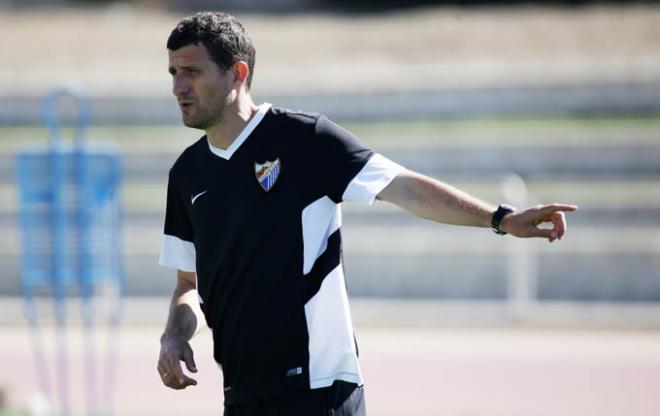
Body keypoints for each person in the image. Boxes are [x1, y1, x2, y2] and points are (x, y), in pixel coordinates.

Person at [156, 11, 577, 416]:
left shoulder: (305, 138)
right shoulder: (187, 174)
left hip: (317, 390)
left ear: (237, 73)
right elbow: (188, 283)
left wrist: (499, 219)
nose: (178, 86)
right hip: (241, 394)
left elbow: (405, 187)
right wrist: (174, 335)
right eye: (173, 72)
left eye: (191, 72)